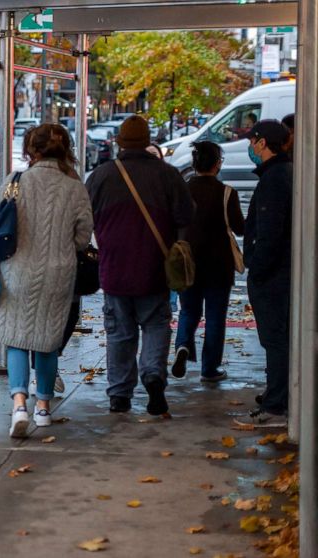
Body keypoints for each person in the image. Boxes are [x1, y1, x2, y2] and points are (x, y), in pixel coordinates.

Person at [86, 116, 195, 415]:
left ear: (119, 142)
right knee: (157, 324)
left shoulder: (100, 176)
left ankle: (119, 394)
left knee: (119, 331)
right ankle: (153, 376)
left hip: (114, 269)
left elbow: (85, 221)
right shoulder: (169, 175)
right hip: (155, 268)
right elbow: (186, 217)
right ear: (147, 141)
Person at [0, 124, 93, 438]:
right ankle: (44, 409)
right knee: (48, 342)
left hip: (17, 271)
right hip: (59, 273)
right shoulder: (75, 187)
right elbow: (83, 234)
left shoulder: (16, 181)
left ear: (30, 150)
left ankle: (19, 404)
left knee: (18, 338)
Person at [235, 120, 293, 428]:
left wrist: (257, 268)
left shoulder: (274, 179)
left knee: (275, 339)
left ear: (261, 143)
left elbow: (269, 232)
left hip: (273, 275)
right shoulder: (284, 174)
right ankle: (277, 397)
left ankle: (276, 405)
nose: (250, 147)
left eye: (252, 141)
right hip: (278, 272)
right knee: (278, 338)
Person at [172, 141, 245, 382]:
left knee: (188, 311)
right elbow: (239, 228)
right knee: (215, 317)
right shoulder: (227, 193)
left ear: (194, 164)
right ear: (217, 165)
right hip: (219, 266)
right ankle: (209, 368)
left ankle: (182, 345)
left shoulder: (182, 190)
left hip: (187, 262)